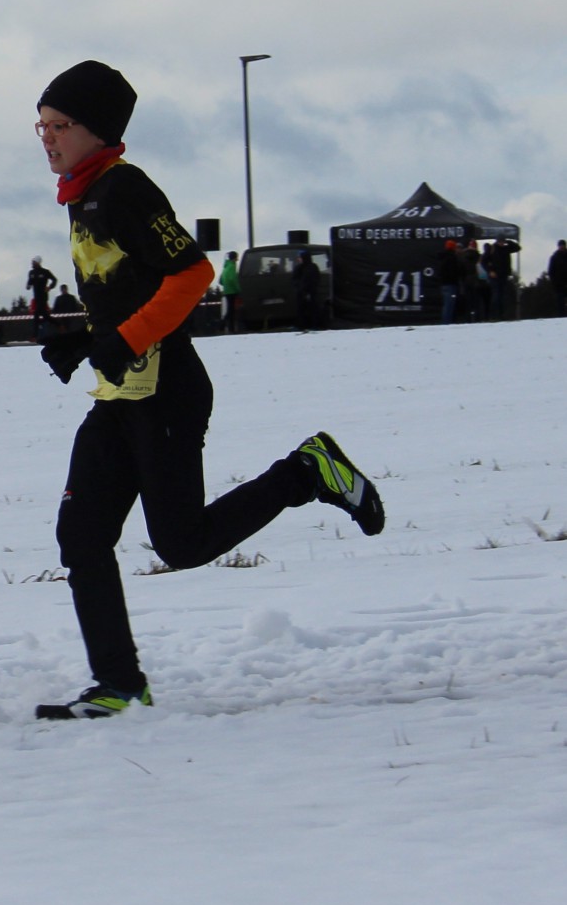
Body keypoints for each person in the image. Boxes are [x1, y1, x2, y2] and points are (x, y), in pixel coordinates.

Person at [31, 62, 385, 720]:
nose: (46, 137)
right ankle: (120, 685)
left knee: (182, 544)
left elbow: (191, 274)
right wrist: (87, 339)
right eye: (41, 126)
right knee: (81, 537)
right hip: (120, 396)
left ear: (96, 130)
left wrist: (125, 339)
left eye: (59, 125)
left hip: (167, 393)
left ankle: (308, 471)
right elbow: (130, 289)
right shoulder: (85, 195)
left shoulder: (126, 189)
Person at [25, 256, 59, 341]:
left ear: (38, 263)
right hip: (36, 297)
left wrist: (49, 287)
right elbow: (30, 282)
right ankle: (59, 325)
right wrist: (28, 285)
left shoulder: (45, 272)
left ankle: (34, 336)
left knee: (36, 315)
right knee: (45, 316)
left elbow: (54, 280)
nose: (32, 264)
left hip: (43, 297)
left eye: (34, 262)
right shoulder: (31, 272)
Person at [487, 236, 521, 319]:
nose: (501, 243)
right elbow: (484, 261)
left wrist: (509, 241)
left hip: (504, 275)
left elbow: (518, 248)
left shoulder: (506, 248)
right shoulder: (492, 249)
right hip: (495, 275)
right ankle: (494, 315)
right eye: (500, 241)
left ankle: (501, 315)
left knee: (502, 295)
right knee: (496, 295)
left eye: (502, 241)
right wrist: (490, 271)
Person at [292, 250, 321, 330]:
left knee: (313, 308)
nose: (298, 259)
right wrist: (299, 288)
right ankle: (301, 325)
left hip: (311, 292)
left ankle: (315, 325)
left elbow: (314, 280)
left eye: (300, 257)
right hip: (301, 292)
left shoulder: (312, 267)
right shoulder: (298, 268)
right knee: (300, 309)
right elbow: (295, 279)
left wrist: (308, 291)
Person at [437, 239, 463, 325]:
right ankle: (447, 322)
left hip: (443, 284)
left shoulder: (442, 257)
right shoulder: (452, 258)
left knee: (446, 304)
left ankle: (446, 321)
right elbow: (453, 271)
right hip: (451, 283)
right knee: (450, 304)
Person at [218, 250, 241, 333]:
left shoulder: (226, 266)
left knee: (230, 309)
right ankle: (224, 325)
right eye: (236, 258)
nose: (237, 259)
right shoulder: (232, 266)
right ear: (234, 258)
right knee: (231, 310)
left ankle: (228, 327)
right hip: (232, 291)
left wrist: (226, 285)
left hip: (226, 291)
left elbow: (220, 280)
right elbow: (232, 279)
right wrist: (238, 289)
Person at [551, 239, 567, 317]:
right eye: (560, 245)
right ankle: (562, 316)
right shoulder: (555, 257)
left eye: (563, 245)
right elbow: (551, 271)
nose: (562, 247)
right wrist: (554, 282)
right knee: (560, 302)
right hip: (559, 284)